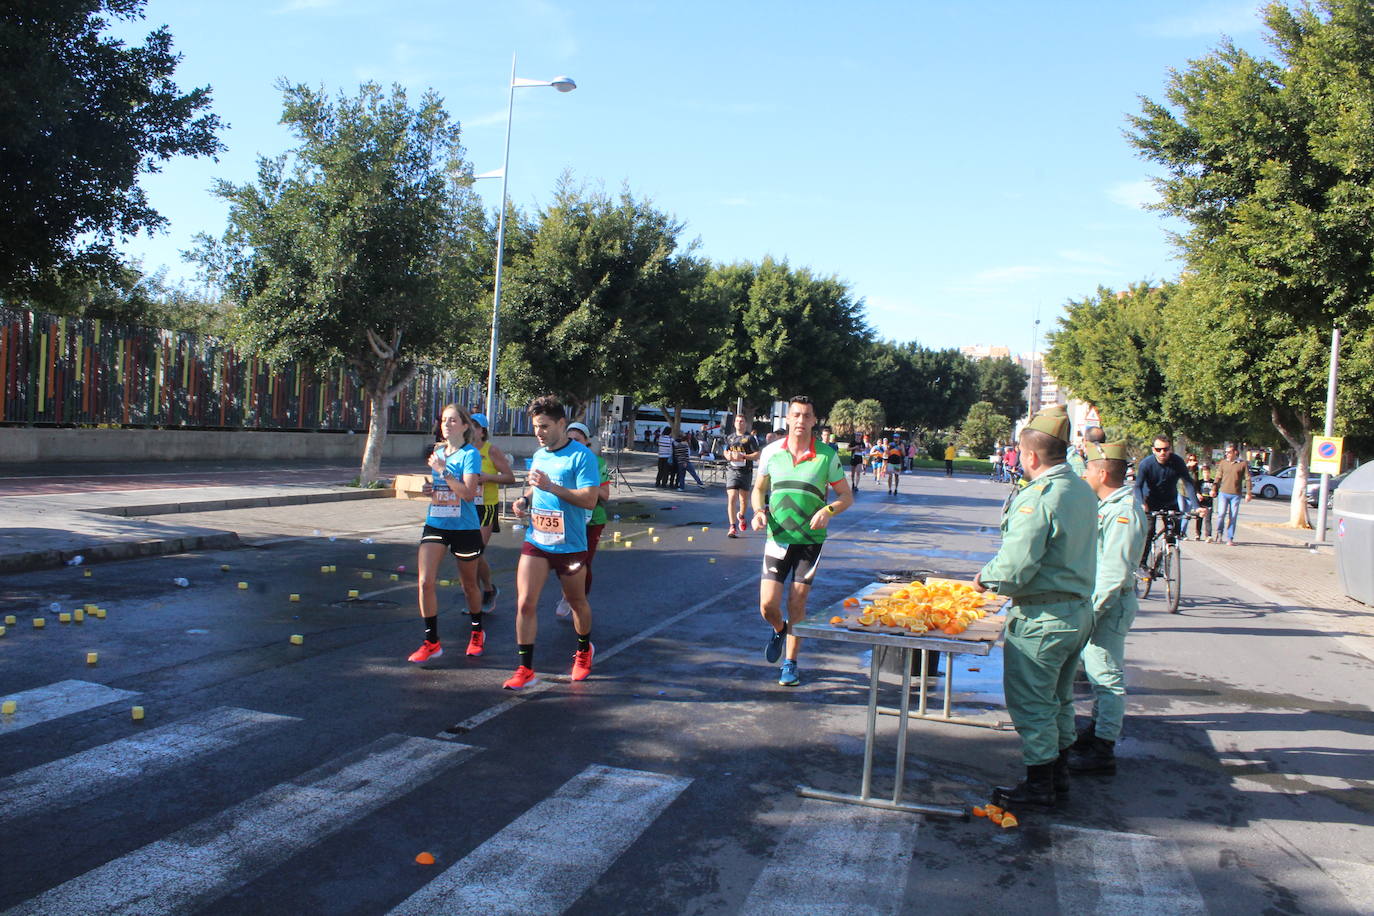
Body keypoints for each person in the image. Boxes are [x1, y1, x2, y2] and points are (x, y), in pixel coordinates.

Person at [973, 405, 1097, 808]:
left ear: (1030, 456)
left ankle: (1040, 783)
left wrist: (984, 580)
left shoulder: (1040, 496)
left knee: (1032, 701)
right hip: (1076, 612)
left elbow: (1015, 566)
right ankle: (1058, 775)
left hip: (1043, 618)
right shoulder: (1080, 488)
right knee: (1059, 698)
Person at [752, 396, 854, 687]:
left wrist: (828, 510)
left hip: (810, 540)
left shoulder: (826, 456)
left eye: (806, 415)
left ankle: (790, 663)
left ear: (813, 420)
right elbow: (759, 489)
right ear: (788, 419)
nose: (800, 420)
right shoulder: (771, 452)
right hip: (778, 537)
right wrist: (759, 511)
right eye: (795, 415)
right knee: (767, 606)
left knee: (797, 602)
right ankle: (779, 628)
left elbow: (846, 497)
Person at [505, 397, 602, 689]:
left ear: (562, 423)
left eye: (545, 426)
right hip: (537, 539)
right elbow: (537, 489)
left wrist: (552, 487)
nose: (539, 432)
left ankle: (584, 650)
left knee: (576, 602)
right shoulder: (538, 455)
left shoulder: (582, 457)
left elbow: (589, 499)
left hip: (570, 544)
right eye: (536, 427)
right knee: (524, 603)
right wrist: (524, 499)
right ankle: (525, 668)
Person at [1069, 442, 1147, 775]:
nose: (1084, 474)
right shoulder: (1110, 504)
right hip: (1101, 602)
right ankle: (1097, 730)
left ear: (1102, 473)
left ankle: (1104, 749)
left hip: (1110, 605)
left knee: (1106, 675)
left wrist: (1090, 614)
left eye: (1087, 469)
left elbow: (1114, 573)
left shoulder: (1123, 511)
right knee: (1097, 667)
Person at [409, 404, 487, 664]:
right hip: (437, 522)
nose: (447, 424)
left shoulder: (470, 455)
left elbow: (467, 492)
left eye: (453, 420)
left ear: (465, 426)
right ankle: (431, 642)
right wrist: (429, 488)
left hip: (464, 527)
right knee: (424, 582)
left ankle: (477, 631)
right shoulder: (438, 452)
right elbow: (441, 486)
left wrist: (443, 471)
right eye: (444, 420)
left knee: (468, 586)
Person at [556, 422, 611, 617]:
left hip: (592, 519)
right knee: (564, 561)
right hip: (567, 517)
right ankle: (569, 594)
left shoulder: (597, 463)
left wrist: (588, 488)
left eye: (578, 440)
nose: (573, 443)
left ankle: (577, 599)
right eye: (570, 439)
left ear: (587, 442)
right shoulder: (561, 459)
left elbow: (605, 494)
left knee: (583, 562)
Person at [468, 412, 516, 610]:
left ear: (482, 431)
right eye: (468, 425)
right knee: (467, 554)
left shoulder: (491, 451)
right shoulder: (462, 451)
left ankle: (487, 590)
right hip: (466, 505)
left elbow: (509, 477)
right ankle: (478, 594)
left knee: (475, 552)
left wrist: (488, 477)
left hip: (486, 506)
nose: (470, 430)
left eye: (475, 427)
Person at [1132, 434, 1198, 566]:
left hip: (1170, 501)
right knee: (1149, 532)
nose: (1162, 452)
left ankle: (1166, 556)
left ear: (1170, 449)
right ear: (1153, 450)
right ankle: (1142, 563)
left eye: (1166, 449)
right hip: (1150, 502)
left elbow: (1188, 483)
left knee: (1174, 531)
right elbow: (1137, 486)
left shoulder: (1177, 462)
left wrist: (1197, 506)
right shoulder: (1146, 464)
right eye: (1158, 449)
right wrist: (1142, 503)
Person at [724, 414, 762, 537]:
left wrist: (744, 456)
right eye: (737, 421)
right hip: (732, 471)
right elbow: (725, 450)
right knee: (732, 497)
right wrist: (728, 456)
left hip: (745, 471)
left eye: (742, 421)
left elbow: (757, 454)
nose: (740, 423)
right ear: (734, 423)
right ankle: (732, 527)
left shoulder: (749, 438)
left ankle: (741, 515)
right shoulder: (729, 438)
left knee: (743, 500)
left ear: (745, 424)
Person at [1211, 445, 1252, 546]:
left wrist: (1248, 493)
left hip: (1236, 494)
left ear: (1235, 452)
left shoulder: (1242, 464)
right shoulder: (1223, 463)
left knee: (1233, 516)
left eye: (1229, 452)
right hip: (1223, 493)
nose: (1227, 454)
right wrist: (1214, 489)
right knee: (1221, 515)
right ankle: (1219, 534)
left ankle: (1230, 538)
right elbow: (1218, 477)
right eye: (1226, 452)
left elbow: (1247, 478)